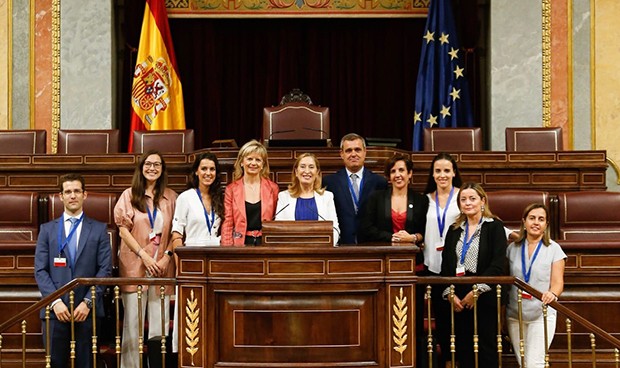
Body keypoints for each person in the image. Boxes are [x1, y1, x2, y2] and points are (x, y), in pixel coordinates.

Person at [34, 173, 112, 368]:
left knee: (86, 363)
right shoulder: (47, 230)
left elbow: (105, 270)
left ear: (85, 195)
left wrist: (87, 302)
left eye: (77, 191)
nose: (72, 196)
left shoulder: (99, 229)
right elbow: (40, 270)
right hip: (55, 312)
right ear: (60, 196)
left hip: (87, 311)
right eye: (68, 192)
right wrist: (56, 301)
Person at [358, 154, 428, 367]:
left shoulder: (421, 200)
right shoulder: (376, 198)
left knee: (413, 319)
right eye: (394, 171)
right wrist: (393, 237)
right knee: (383, 319)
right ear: (389, 176)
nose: (398, 175)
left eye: (402, 171)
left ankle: (413, 361)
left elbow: (426, 231)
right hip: (383, 268)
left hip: (412, 266)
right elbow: (366, 229)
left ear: (410, 175)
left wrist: (414, 238)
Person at [114, 150, 177, 368]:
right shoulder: (129, 195)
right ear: (141, 168)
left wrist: (166, 258)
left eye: (157, 164)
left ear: (162, 169)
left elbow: (177, 233)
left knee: (159, 327)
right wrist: (144, 255)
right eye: (148, 164)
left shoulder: (171, 197)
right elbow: (123, 231)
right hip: (135, 266)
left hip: (162, 268)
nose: (152, 168)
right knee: (133, 326)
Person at [440, 182, 507, 368]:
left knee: (486, 347)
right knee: (463, 347)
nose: (467, 203)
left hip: (484, 293)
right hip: (459, 295)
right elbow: (446, 264)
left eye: (472, 198)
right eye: (463, 199)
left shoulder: (494, 227)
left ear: (482, 201)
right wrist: (450, 293)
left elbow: (497, 264)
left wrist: (476, 292)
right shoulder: (454, 229)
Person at [170, 152, 224, 353]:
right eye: (204, 169)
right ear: (196, 172)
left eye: (212, 169)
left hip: (216, 258)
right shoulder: (186, 197)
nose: (208, 173)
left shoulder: (221, 197)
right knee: (191, 314)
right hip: (191, 258)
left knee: (213, 313)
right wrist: (179, 266)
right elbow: (177, 233)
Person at [506, 203, 566, 368]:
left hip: (541, 313)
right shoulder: (512, 248)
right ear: (524, 221)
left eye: (541, 219)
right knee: (524, 363)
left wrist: (553, 293)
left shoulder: (554, 249)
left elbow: (558, 282)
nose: (536, 223)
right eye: (532, 218)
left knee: (535, 363)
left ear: (546, 225)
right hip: (515, 314)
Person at [422, 152, 462, 367]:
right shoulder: (425, 200)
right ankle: (447, 360)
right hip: (433, 267)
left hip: (459, 267)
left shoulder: (463, 197)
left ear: (454, 173)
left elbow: (483, 221)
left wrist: (509, 233)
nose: (442, 175)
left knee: (461, 318)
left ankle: (462, 360)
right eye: (438, 171)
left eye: (447, 170)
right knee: (442, 319)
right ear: (433, 174)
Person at [323, 133, 387, 244]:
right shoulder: (329, 182)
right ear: (341, 154)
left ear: (365, 152)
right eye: (348, 150)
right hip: (342, 245)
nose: (353, 154)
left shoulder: (379, 182)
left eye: (357, 150)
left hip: (372, 245)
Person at [221, 140, 279, 246]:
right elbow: (228, 222)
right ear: (242, 162)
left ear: (263, 165)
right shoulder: (231, 189)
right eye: (249, 159)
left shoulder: (273, 188)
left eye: (258, 160)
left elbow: (276, 219)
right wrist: (227, 250)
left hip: (266, 244)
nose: (253, 163)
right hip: (240, 244)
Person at [275, 152, 340, 245]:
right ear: (296, 172)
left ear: (317, 172)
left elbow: (335, 229)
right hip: (291, 252)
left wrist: (324, 247)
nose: (307, 171)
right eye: (302, 166)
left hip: (321, 252)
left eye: (311, 167)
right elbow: (278, 229)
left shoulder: (327, 197)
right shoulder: (284, 197)